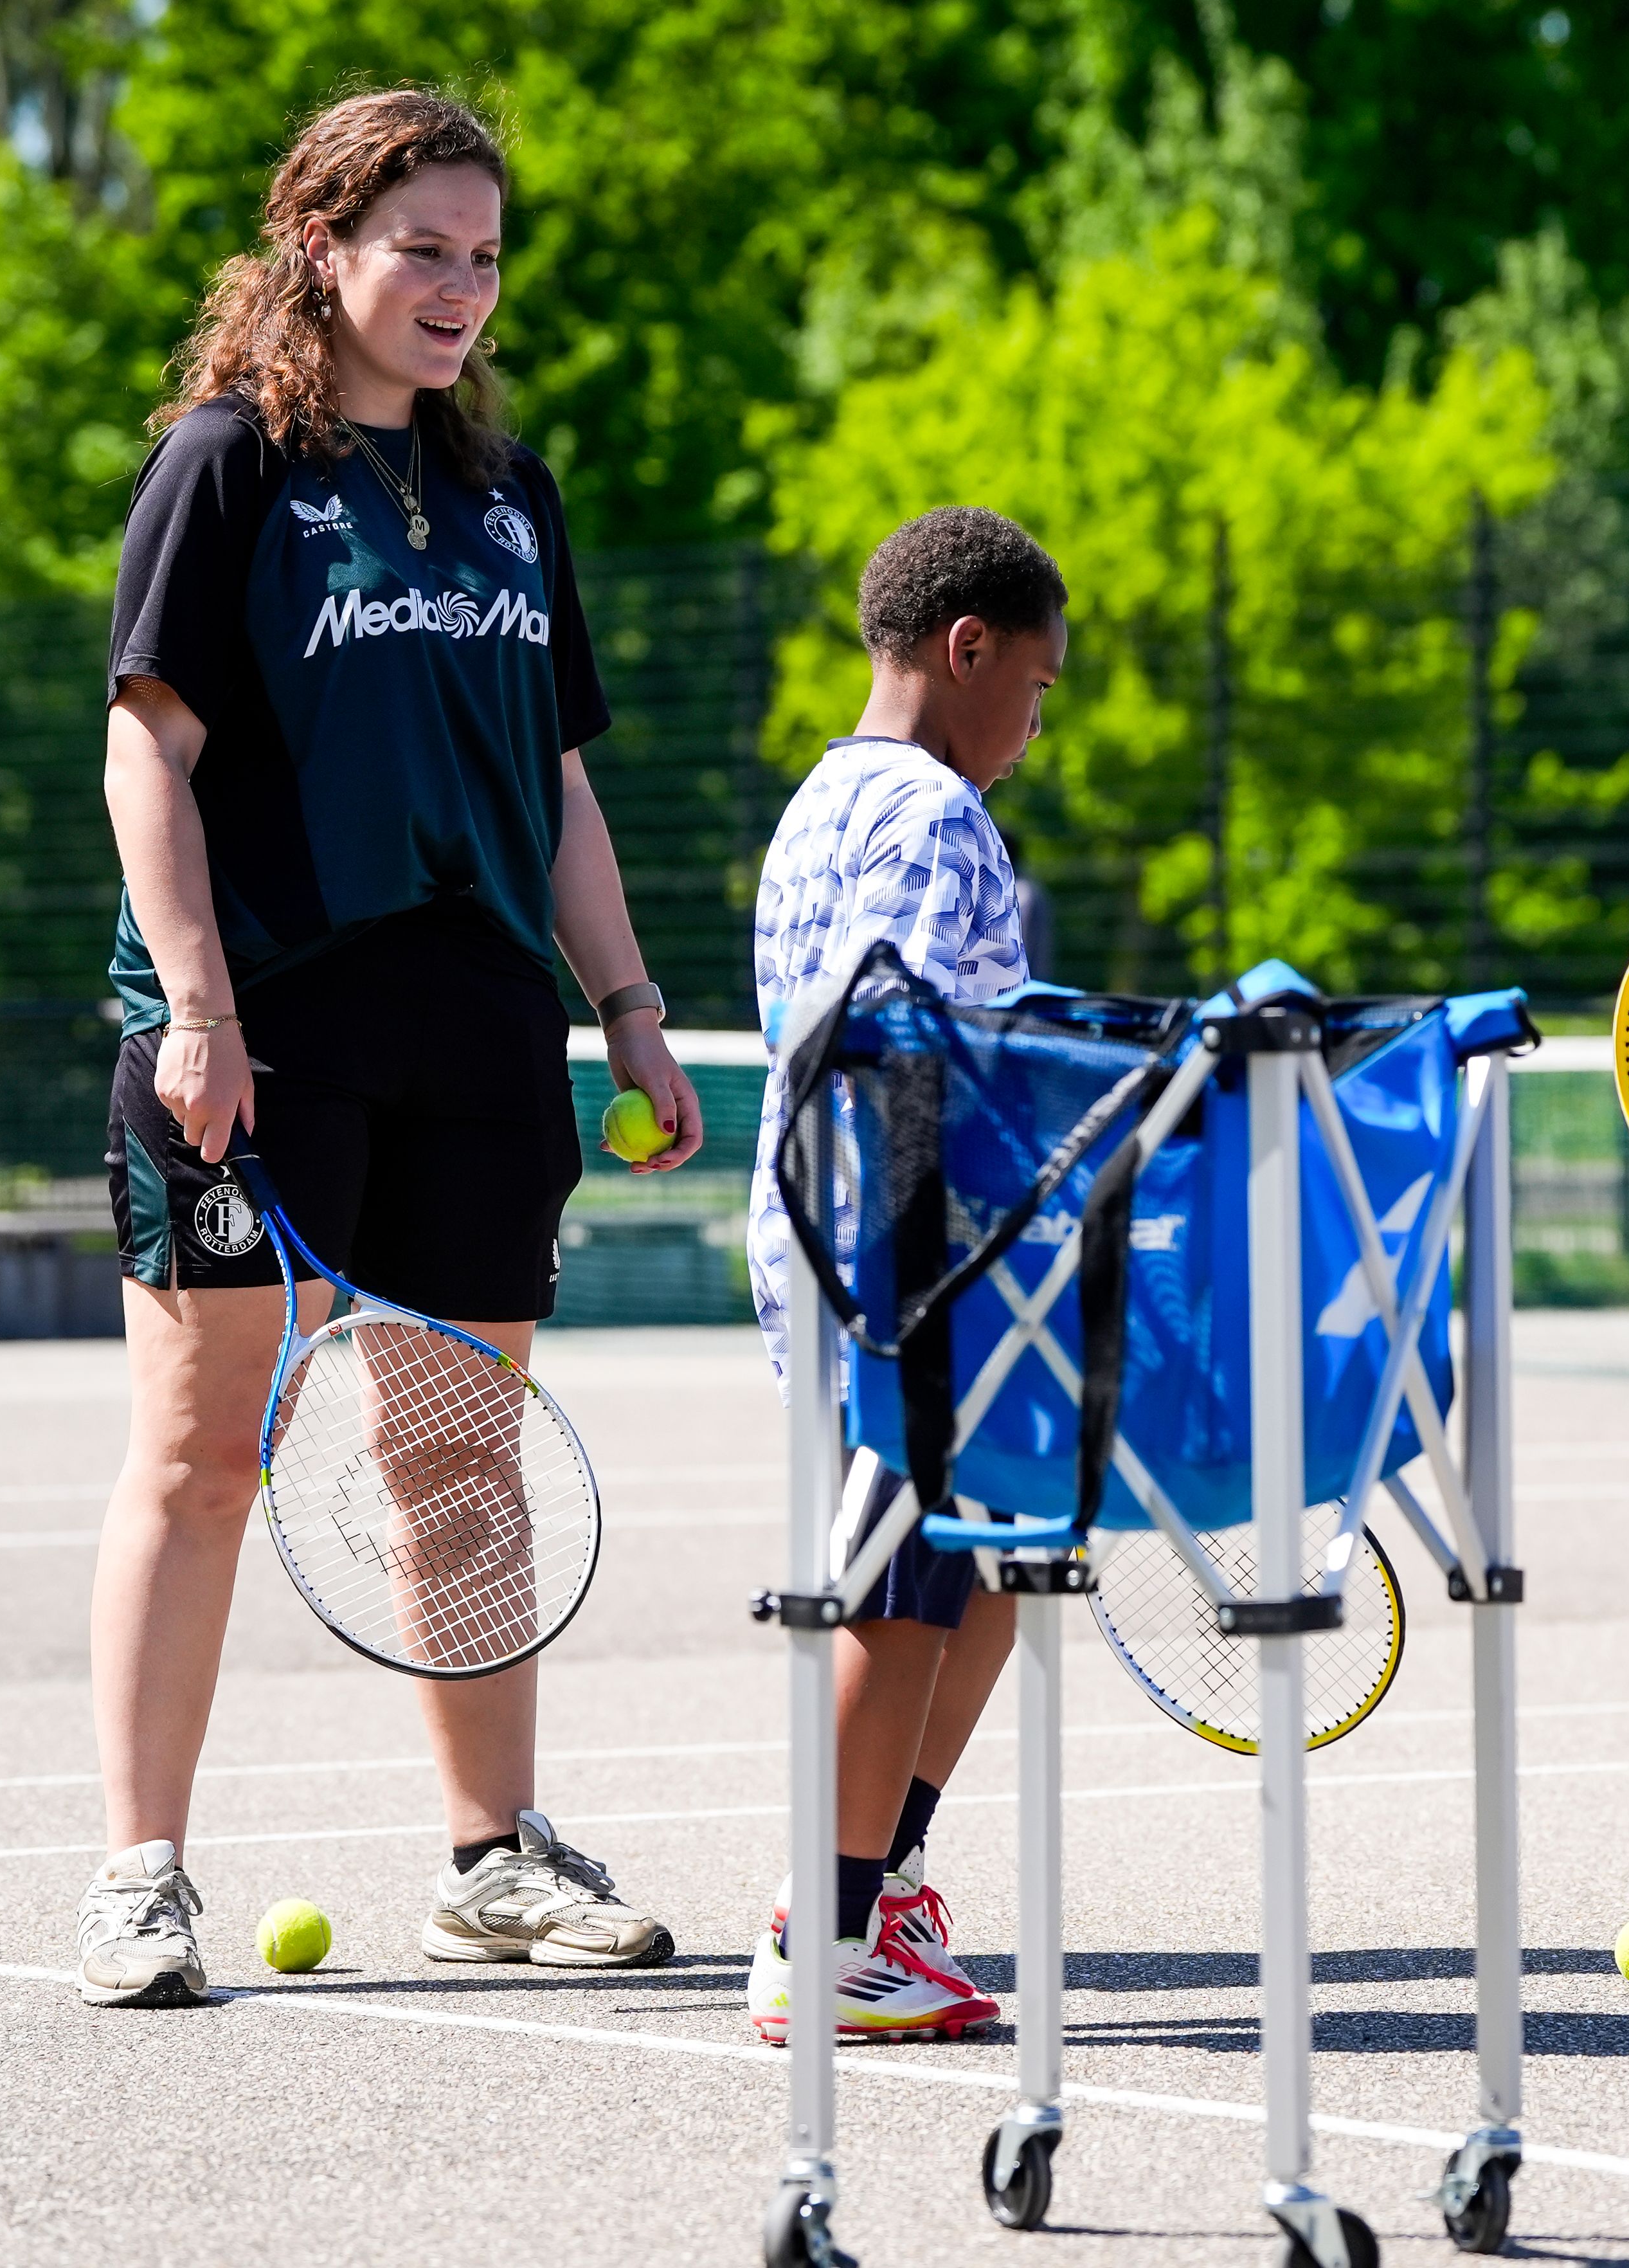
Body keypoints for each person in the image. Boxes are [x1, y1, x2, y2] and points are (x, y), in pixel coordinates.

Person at [82, 91, 704, 2008]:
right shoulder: (227, 465)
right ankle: (138, 1874)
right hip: (269, 1018)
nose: (457, 287)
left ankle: (489, 1858)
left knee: (461, 1462)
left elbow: (563, 782)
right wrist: (197, 1005)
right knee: (200, 1463)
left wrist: (625, 1005)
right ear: (321, 248)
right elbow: (146, 753)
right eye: (421, 247)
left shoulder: (511, 493)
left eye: (484, 254)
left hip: (479, 1017)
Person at [743, 507, 1068, 2042]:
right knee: (902, 1583)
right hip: (907, 1254)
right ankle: (833, 1923)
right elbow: (911, 1042)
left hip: (837, 1240)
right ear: (968, 649)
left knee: (986, 1564)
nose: (1035, 721)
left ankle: (890, 1867)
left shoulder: (820, 797)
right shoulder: (935, 816)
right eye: (1040, 686)